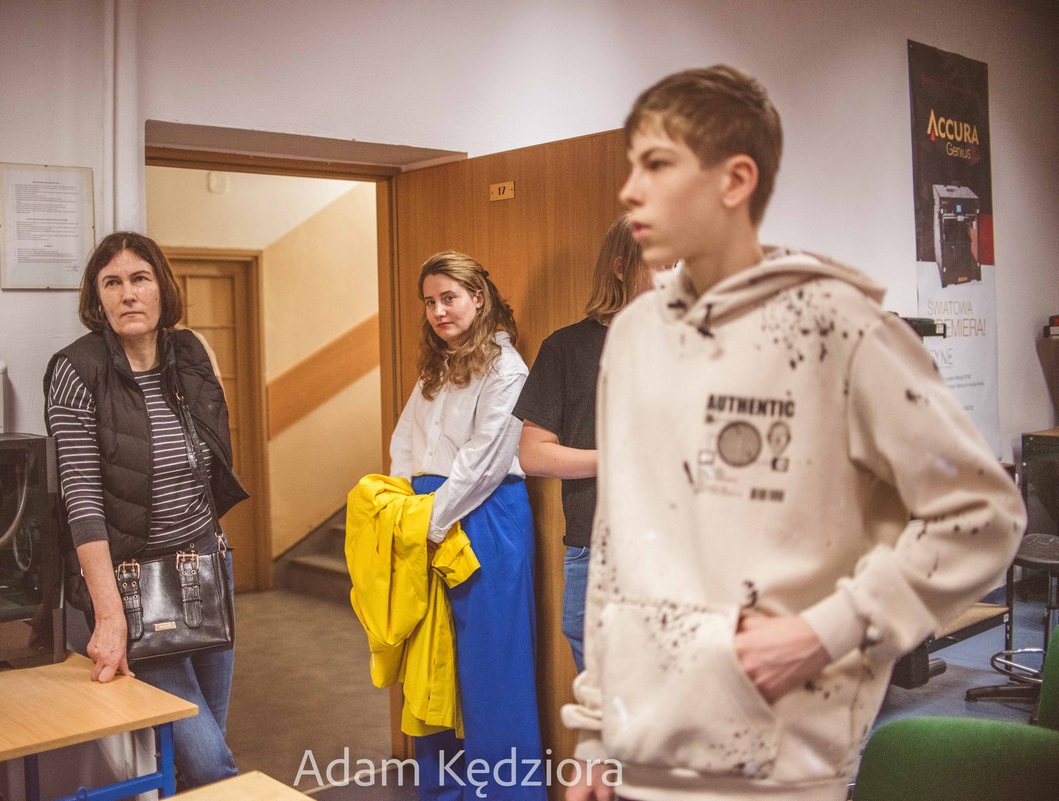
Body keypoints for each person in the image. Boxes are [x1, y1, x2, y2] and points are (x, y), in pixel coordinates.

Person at [563, 66, 1025, 801]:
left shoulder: (839, 327)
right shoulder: (635, 335)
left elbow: (983, 515)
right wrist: (595, 728)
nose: (630, 190)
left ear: (735, 180)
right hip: (637, 751)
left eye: (657, 165)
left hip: (779, 762)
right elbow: (622, 545)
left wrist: (825, 631)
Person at [44, 231, 248, 789]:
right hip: (136, 588)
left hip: (205, 568)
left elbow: (209, 459)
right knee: (208, 761)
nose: (128, 293)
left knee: (204, 752)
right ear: (98, 298)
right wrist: (108, 616)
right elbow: (81, 503)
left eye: (140, 278)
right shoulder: (76, 370)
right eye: (112, 283)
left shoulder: (192, 353)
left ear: (162, 289)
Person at [389, 251, 546, 801]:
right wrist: (401, 507)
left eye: (449, 298)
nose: (438, 311)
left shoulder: (507, 370)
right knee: (435, 666)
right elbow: (405, 441)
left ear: (478, 298)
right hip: (426, 516)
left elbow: (483, 465)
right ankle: (443, 793)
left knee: (491, 669)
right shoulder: (435, 368)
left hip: (485, 520)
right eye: (429, 301)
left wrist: (428, 524)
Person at [512, 214, 662, 672]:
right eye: (661, 262)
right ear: (621, 267)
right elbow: (533, 453)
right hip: (597, 549)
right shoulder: (566, 349)